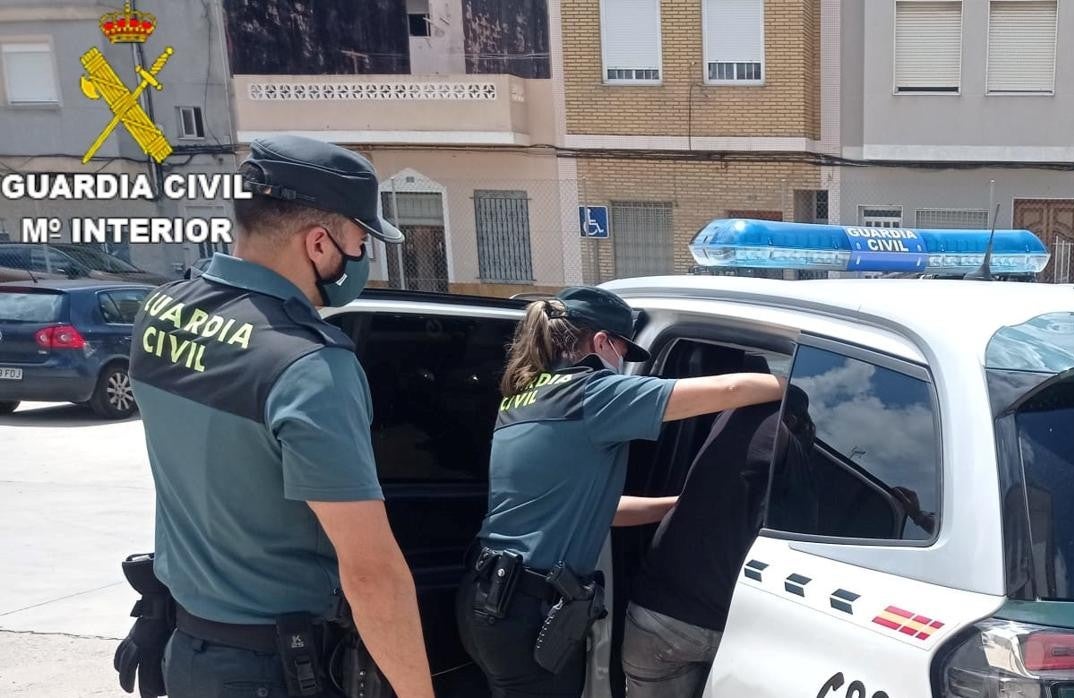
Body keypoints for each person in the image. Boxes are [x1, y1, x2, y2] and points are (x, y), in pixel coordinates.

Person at [123, 135, 435, 698]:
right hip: (273, 669)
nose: (362, 257)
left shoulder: (161, 311)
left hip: (186, 647)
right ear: (319, 243)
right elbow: (370, 573)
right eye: (361, 240)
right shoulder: (310, 366)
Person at [455, 286, 787, 698]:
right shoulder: (592, 395)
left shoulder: (524, 398)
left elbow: (598, 509)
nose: (622, 366)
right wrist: (798, 383)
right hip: (526, 611)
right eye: (622, 353)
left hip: (488, 602)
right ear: (600, 342)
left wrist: (683, 506)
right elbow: (733, 392)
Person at [623, 381, 813, 697]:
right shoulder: (788, 446)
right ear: (793, 419)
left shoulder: (725, 421)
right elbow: (802, 531)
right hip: (727, 621)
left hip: (656, 616)